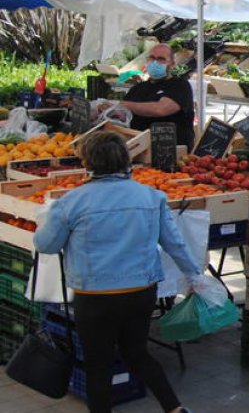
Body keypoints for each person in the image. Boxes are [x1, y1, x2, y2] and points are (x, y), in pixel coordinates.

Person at [34, 131, 200, 413]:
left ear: (88, 162)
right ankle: (175, 409)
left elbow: (46, 244)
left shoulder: (72, 201)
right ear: (125, 159)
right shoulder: (152, 196)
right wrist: (195, 276)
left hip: (95, 295)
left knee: (98, 366)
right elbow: (175, 243)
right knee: (137, 353)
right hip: (141, 292)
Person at [117, 42, 196, 149]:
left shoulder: (180, 85)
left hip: (172, 152)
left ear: (172, 64)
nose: (155, 62)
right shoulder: (137, 89)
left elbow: (161, 109)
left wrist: (124, 105)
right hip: (139, 151)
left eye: (161, 59)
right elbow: (123, 116)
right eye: (152, 58)